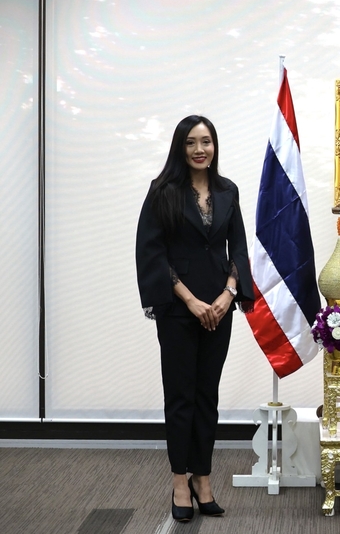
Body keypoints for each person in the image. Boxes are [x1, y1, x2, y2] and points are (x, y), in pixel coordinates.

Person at [135, 115, 254, 522]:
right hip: (178, 309)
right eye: (191, 142)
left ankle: (203, 479)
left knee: (207, 396)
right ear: (180, 148)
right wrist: (190, 300)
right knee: (180, 396)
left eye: (206, 141)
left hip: (220, 308)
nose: (200, 149)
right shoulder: (163, 191)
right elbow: (152, 253)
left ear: (214, 146)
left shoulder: (227, 190)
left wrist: (227, 294)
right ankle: (179, 483)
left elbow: (239, 248)